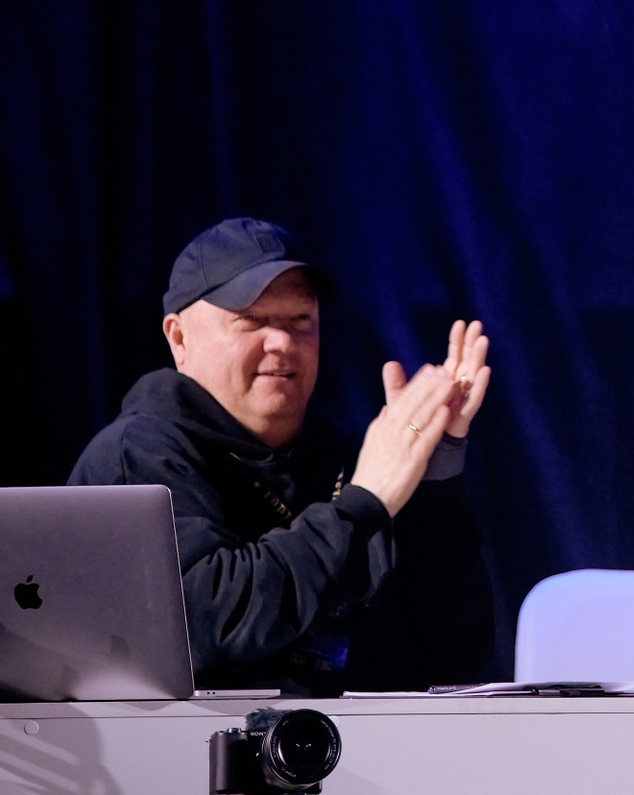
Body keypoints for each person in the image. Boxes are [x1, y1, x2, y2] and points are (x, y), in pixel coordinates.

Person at [69, 218, 496, 694]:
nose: (283, 342)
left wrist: (433, 477)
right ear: (179, 338)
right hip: (199, 740)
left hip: (370, 736)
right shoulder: (137, 458)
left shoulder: (347, 455)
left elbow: (455, 658)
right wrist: (358, 509)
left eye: (301, 321)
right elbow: (203, 629)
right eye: (251, 321)